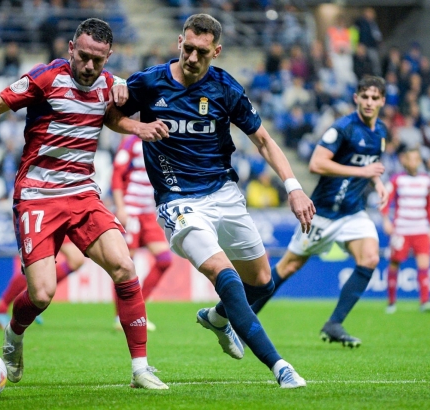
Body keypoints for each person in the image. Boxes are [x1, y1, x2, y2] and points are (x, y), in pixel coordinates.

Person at [106, 14, 315, 389]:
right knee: (227, 276)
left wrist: (294, 186)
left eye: (201, 52)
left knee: (263, 282)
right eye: (187, 48)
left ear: (216, 51)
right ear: (179, 42)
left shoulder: (224, 88)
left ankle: (218, 318)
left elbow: (264, 140)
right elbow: (112, 114)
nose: (191, 57)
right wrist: (138, 126)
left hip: (223, 193)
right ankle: (281, 367)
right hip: (178, 202)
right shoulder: (151, 82)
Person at [0, 18, 169, 390]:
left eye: (98, 60)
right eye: (83, 57)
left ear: (108, 56)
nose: (89, 66)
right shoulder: (46, 78)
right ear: (70, 48)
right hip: (37, 195)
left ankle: (141, 369)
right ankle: (14, 335)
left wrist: (140, 128)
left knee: (124, 267)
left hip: (82, 193)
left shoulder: (110, 85)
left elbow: (111, 118)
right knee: (42, 294)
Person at [250, 75, 390, 348]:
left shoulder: (380, 132)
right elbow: (316, 163)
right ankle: (244, 318)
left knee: (370, 257)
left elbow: (369, 164)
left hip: (352, 211)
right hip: (323, 212)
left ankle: (334, 323)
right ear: (356, 98)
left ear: (383, 101)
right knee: (288, 266)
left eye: (375, 98)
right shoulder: (343, 128)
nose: (370, 102)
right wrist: (363, 172)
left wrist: (377, 182)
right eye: (365, 96)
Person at [111, 134, 173, 331]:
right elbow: (116, 174)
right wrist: (120, 208)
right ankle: (121, 317)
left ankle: (138, 310)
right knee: (126, 265)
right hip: (131, 211)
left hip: (150, 213)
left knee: (165, 259)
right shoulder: (131, 141)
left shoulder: (164, 141)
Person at [381, 148, 430, 313]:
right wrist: (386, 220)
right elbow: (385, 200)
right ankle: (391, 302)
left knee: (424, 265)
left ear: (420, 161)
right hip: (401, 229)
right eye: (410, 159)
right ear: (404, 161)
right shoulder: (397, 180)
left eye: (416, 159)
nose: (413, 162)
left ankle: (425, 302)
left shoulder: (426, 180)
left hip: (421, 229)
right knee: (394, 263)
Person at [0, 238, 86, 330]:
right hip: (41, 222)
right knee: (35, 263)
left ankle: (32, 299)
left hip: (58, 221)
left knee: (75, 260)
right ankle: (1, 309)